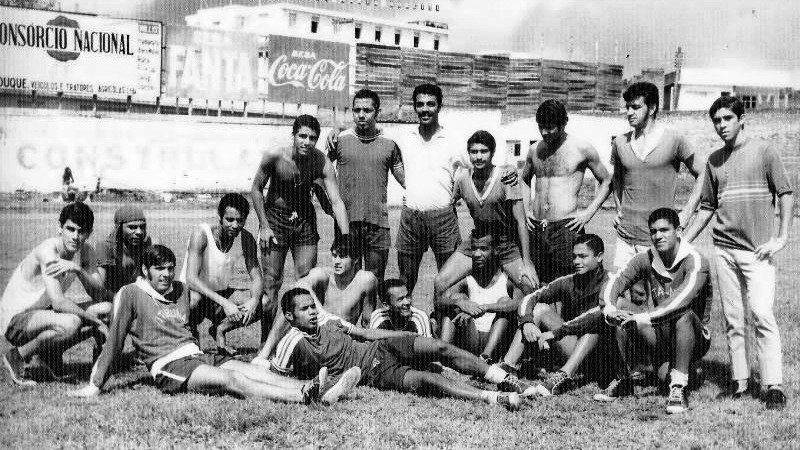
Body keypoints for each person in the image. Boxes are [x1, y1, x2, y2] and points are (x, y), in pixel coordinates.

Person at [68, 245, 361, 404]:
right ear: (146, 270)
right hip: (171, 367)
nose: (167, 275)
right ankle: (301, 396)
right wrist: (95, 385)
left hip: (197, 355)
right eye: (159, 269)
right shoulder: (130, 294)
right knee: (232, 382)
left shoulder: (181, 291)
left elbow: (207, 307)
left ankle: (320, 389)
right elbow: (115, 340)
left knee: (247, 368)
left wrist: (223, 324)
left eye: (170, 269)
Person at [684, 96, 794, 410]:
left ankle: (773, 385)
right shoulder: (714, 160)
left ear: (741, 119)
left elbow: (785, 193)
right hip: (724, 250)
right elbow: (707, 207)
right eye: (716, 120)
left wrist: (781, 238)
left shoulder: (765, 151)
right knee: (733, 319)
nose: (722, 126)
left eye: (727, 119)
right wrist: (684, 243)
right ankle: (740, 382)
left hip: (758, 252)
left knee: (761, 314)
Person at [270, 287, 534, 410]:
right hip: (373, 371)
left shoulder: (328, 320)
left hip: (380, 346)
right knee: (428, 380)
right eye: (304, 310)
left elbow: (365, 332)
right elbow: (275, 377)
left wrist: (402, 335)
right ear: (290, 316)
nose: (312, 313)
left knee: (439, 347)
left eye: (312, 306)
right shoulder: (291, 341)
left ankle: (503, 378)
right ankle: (490, 398)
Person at [392, 83, 517, 295]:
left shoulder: (453, 140)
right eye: (420, 104)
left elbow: (479, 164)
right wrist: (410, 187)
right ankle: (408, 324)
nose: (425, 109)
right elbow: (393, 162)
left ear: (439, 107)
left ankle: (441, 324)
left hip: (443, 218)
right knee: (406, 280)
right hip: (410, 217)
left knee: (448, 281)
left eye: (431, 104)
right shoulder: (404, 137)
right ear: (414, 107)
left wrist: (510, 167)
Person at [596, 208, 712, 414]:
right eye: (653, 231)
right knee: (621, 306)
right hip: (660, 333)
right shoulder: (646, 258)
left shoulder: (695, 260)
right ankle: (625, 378)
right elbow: (616, 281)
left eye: (664, 230)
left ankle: (679, 388)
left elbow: (680, 302)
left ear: (678, 230)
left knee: (682, 313)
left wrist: (642, 317)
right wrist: (610, 309)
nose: (658, 236)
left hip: (693, 335)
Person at [251, 114, 350, 344]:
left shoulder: (321, 162)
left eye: (312, 138)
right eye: (302, 136)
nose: (306, 142)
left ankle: (300, 342)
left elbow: (336, 202)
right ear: (293, 136)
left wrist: (346, 239)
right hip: (275, 220)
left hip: (304, 220)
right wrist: (264, 227)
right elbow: (256, 189)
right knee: (271, 284)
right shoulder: (275, 156)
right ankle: (267, 343)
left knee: (305, 283)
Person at [1, 202, 111, 385]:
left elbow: (99, 294)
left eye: (81, 231)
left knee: (106, 309)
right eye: (70, 229)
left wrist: (79, 270)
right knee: (72, 323)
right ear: (59, 227)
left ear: (89, 233)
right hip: (15, 320)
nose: (75, 237)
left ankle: (50, 356)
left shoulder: (85, 251)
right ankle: (17, 356)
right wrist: (97, 323)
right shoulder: (48, 250)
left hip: (43, 313)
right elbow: (59, 303)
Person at [606, 82, 705, 272]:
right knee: (622, 298)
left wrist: (686, 213)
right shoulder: (620, 142)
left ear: (651, 108)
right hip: (624, 239)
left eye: (636, 107)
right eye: (627, 107)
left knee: (657, 298)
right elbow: (617, 179)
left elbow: (703, 173)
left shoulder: (674, 140)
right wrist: (619, 209)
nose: (629, 112)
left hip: (658, 239)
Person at [499, 234, 611, 396]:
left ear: (599, 257)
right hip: (575, 349)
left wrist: (556, 333)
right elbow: (531, 297)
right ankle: (507, 367)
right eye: (574, 257)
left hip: (604, 356)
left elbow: (595, 316)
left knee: (594, 325)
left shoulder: (612, 281)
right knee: (540, 309)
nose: (576, 262)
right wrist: (527, 322)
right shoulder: (570, 281)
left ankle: (563, 376)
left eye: (583, 256)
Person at [434, 130, 538, 303]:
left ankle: (527, 326)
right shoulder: (462, 179)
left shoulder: (506, 178)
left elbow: (521, 222)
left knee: (530, 287)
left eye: (484, 151)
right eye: (474, 152)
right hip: (478, 240)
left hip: (506, 242)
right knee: (440, 282)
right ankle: (439, 326)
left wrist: (527, 262)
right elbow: (449, 205)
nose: (479, 157)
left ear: (492, 153)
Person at [521, 100, 612, 283]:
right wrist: (526, 209)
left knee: (570, 283)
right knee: (538, 283)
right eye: (541, 127)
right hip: (536, 227)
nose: (544, 132)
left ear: (564, 123)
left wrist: (588, 212)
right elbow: (524, 180)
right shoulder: (534, 150)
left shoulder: (581, 148)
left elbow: (607, 180)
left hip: (565, 228)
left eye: (550, 127)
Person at [251, 235, 377, 364]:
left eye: (343, 256)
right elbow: (300, 285)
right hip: (317, 335)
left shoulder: (365, 280)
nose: (337, 261)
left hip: (340, 341)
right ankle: (263, 355)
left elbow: (368, 321)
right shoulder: (323, 275)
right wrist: (322, 313)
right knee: (289, 310)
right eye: (334, 255)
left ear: (356, 259)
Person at [327, 89, 405, 284]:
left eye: (367, 110)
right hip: (346, 223)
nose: (361, 115)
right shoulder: (339, 140)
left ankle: (373, 316)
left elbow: (406, 181)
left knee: (374, 280)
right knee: (347, 279)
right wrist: (330, 205)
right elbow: (320, 175)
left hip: (377, 224)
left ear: (377, 112)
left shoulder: (390, 144)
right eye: (357, 110)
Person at [179, 194, 262, 356]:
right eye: (229, 219)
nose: (234, 225)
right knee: (194, 300)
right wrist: (225, 303)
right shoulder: (202, 234)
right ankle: (190, 338)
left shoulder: (246, 239)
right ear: (219, 216)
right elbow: (191, 279)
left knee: (264, 301)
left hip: (218, 295)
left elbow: (257, 277)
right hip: (192, 294)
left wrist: (254, 300)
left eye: (240, 220)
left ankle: (219, 329)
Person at [435, 228, 522, 363]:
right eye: (474, 248)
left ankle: (485, 357)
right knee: (457, 298)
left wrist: (486, 307)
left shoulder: (507, 279)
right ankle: (440, 354)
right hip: (471, 337)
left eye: (483, 249)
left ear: (496, 250)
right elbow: (439, 301)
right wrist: (459, 304)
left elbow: (520, 304)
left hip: (497, 341)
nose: (476, 254)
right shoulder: (467, 278)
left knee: (505, 302)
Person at [96, 206, 151, 294]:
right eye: (132, 227)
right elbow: (99, 290)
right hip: (114, 298)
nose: (139, 232)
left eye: (142, 226)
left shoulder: (147, 243)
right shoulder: (106, 247)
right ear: (119, 228)